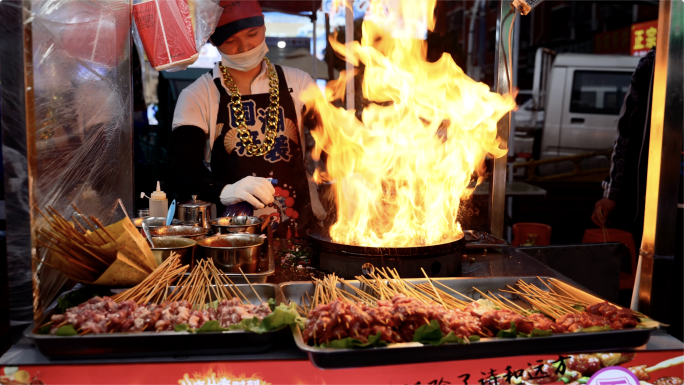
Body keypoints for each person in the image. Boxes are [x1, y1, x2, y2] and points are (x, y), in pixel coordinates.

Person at [168, 0, 325, 239]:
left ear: (264, 27)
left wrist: (351, 178)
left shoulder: (300, 83)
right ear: (214, 42)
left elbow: (333, 145)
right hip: (231, 238)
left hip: (298, 231)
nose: (244, 47)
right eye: (230, 41)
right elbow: (180, 172)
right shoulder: (197, 96)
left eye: (252, 34)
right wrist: (225, 191)